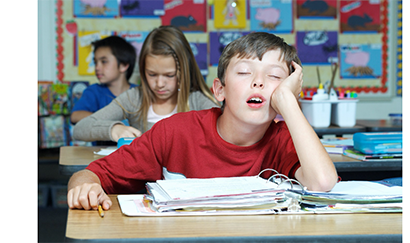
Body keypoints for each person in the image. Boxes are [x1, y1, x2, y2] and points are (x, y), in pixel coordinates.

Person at [67, 32, 338, 211]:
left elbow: (323, 182)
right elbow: (88, 174)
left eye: (275, 77)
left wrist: (289, 105)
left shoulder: (283, 139)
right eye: (244, 72)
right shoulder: (173, 132)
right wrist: (84, 188)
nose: (258, 81)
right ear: (219, 90)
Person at [72, 26, 219, 142]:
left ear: (184, 71)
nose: (159, 84)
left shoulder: (197, 101)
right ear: (142, 70)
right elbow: (80, 129)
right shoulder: (134, 99)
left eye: (169, 75)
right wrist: (113, 129)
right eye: (152, 74)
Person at [70, 36, 138, 124]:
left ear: (123, 65)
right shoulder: (94, 92)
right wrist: (109, 122)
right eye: (95, 62)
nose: (97, 67)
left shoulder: (140, 94)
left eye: (104, 61)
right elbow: (75, 116)